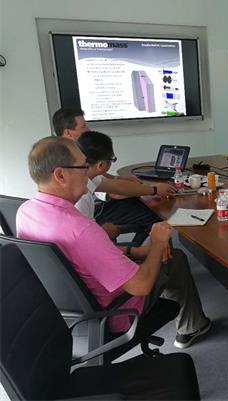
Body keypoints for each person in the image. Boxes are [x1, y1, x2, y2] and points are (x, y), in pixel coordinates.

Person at [16, 136, 211, 349]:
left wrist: (133, 251)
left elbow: (81, 256)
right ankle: (192, 326)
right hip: (115, 312)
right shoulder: (81, 229)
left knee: (153, 254)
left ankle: (191, 323)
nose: (89, 172)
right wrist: (157, 242)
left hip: (68, 311)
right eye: (83, 166)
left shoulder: (25, 212)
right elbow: (141, 286)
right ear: (60, 175)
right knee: (175, 259)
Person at [53, 108, 163, 244]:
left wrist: (153, 189)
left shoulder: (76, 160)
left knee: (136, 204)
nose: (88, 130)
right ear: (68, 133)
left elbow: (109, 183)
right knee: (151, 212)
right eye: (84, 126)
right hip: (88, 229)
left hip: (86, 223)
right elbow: (85, 240)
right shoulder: (81, 193)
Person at [76, 131, 175, 240]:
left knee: (139, 205)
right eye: (113, 159)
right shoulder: (82, 197)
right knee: (153, 213)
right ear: (101, 165)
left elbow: (118, 187)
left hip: (90, 228)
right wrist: (106, 233)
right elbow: (87, 241)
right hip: (92, 241)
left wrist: (155, 189)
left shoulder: (86, 176)